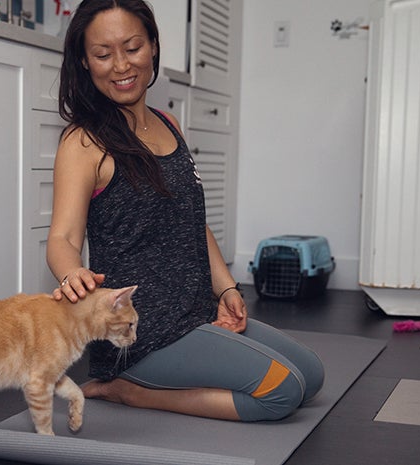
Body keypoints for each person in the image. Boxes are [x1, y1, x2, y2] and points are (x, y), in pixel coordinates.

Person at [46, 0, 324, 422]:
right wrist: (72, 274)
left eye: (133, 47)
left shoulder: (168, 123)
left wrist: (228, 289)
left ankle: (168, 371)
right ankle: (129, 390)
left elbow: (191, 222)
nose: (121, 65)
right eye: (103, 54)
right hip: (142, 331)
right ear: (85, 62)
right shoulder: (84, 142)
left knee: (312, 375)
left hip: (195, 313)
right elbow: (63, 238)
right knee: (282, 391)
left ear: (154, 46)